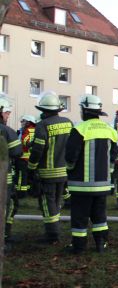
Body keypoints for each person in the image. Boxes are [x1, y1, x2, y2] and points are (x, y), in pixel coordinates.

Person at [65, 95, 118, 254]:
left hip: (81, 185)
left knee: (80, 217)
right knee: (99, 216)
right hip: (103, 184)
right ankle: (101, 244)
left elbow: (70, 156)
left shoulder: (79, 129)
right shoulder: (109, 129)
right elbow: (113, 156)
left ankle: (79, 247)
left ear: (84, 110)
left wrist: (69, 170)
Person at [27, 92, 73, 243]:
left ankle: (52, 235)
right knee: (57, 201)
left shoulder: (43, 125)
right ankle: (55, 230)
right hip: (64, 172)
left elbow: (38, 150)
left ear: (43, 110)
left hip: (47, 173)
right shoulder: (68, 122)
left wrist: (31, 168)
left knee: (48, 203)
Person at [0, 94, 23, 245]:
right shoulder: (7, 131)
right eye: (7, 113)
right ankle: (4, 235)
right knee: (7, 206)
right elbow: (16, 152)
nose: (8, 116)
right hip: (4, 179)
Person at [13, 115, 36, 218]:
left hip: (23, 158)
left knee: (21, 176)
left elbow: (25, 142)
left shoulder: (27, 130)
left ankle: (21, 193)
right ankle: (32, 192)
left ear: (28, 122)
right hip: (32, 158)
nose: (22, 123)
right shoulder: (36, 129)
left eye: (24, 121)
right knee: (31, 176)